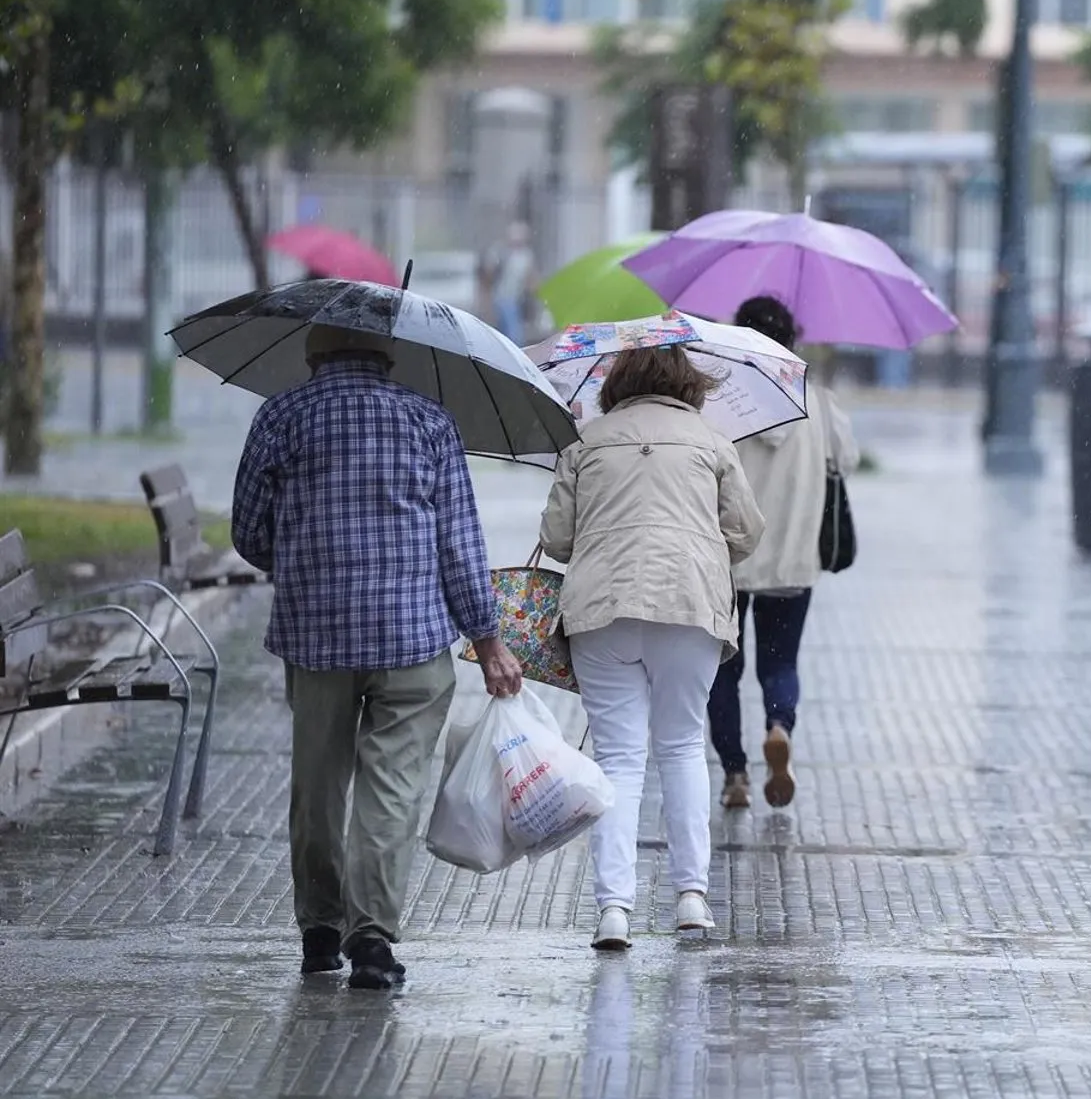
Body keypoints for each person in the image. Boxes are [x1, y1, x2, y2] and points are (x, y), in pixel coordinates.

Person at [230, 324, 524, 992]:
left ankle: (318, 933)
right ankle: (371, 943)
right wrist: (488, 642)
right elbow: (459, 547)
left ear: (313, 351)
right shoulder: (429, 421)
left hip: (316, 638)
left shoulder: (281, 416)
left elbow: (248, 530)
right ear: (388, 354)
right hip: (412, 641)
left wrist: (306, 556)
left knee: (317, 788)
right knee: (390, 792)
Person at [539, 345, 764, 949]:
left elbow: (556, 539)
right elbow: (746, 532)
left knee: (618, 760)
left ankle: (614, 908)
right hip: (688, 605)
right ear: (688, 384)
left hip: (601, 609)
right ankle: (692, 897)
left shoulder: (585, 443)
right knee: (684, 746)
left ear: (616, 384)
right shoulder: (712, 442)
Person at [709, 296, 859, 812]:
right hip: (793, 560)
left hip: (725, 560)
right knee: (781, 662)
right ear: (792, 340)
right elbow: (849, 460)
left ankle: (735, 775)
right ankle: (778, 725)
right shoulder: (818, 403)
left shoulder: (723, 404)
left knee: (722, 670)